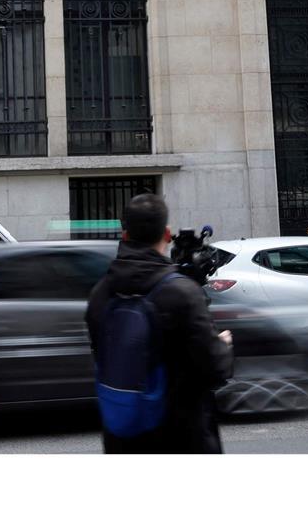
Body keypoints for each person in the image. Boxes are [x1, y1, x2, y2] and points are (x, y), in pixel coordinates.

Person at [85, 193, 234, 453]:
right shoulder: (182, 293)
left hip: (122, 438)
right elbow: (215, 369)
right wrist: (222, 345)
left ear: (124, 235)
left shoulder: (100, 293)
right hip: (181, 437)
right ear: (166, 234)